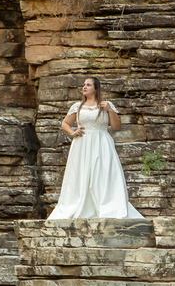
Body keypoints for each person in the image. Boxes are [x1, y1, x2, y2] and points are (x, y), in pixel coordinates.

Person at [47, 76, 144, 220]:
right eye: (84, 85)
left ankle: (107, 206)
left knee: (103, 173)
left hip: (102, 142)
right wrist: (72, 133)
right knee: (81, 173)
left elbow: (116, 126)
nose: (84, 87)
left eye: (88, 85)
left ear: (96, 88)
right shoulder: (77, 106)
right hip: (82, 144)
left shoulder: (106, 105)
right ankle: (81, 206)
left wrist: (110, 110)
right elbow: (65, 123)